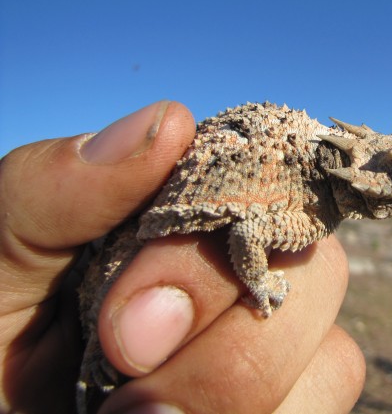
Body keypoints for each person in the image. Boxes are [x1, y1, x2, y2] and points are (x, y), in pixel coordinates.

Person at [0, 101, 365, 414]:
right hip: (130, 236)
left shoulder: (316, 199)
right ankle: (94, 367)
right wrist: (260, 282)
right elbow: (249, 233)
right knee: (104, 337)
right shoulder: (311, 203)